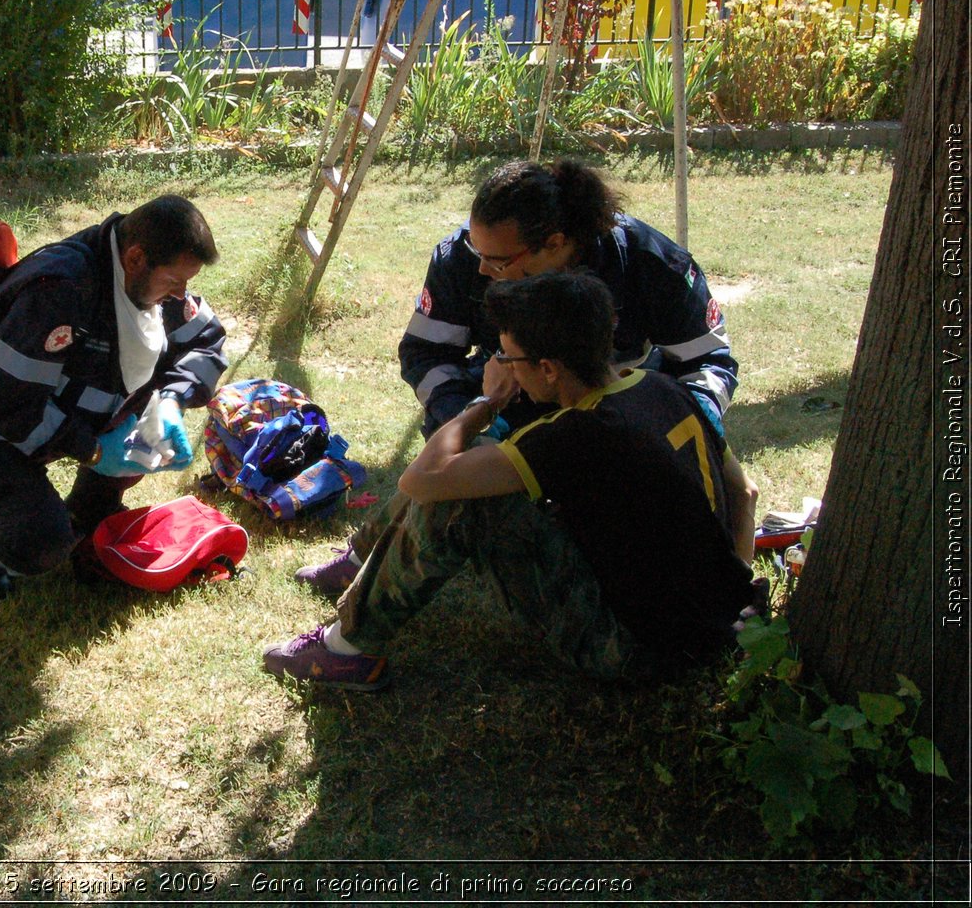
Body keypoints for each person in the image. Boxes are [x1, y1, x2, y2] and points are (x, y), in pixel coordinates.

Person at [264, 272, 760, 690]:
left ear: (547, 368)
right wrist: (730, 586)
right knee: (475, 471)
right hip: (719, 622)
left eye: (506, 358)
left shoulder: (573, 434)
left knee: (461, 497)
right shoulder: (666, 388)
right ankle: (362, 562)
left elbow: (421, 481)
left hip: (639, 654)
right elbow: (743, 493)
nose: (500, 369)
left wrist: (485, 405)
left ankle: (345, 649)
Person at [297, 158, 739, 595]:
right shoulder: (463, 259)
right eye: (477, 252)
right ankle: (366, 556)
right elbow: (425, 353)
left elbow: (709, 361)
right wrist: (467, 417)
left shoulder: (649, 262)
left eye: (499, 261)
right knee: (450, 461)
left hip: (613, 426)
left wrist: (666, 432)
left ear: (556, 243)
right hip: (507, 403)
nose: (483, 270)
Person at [0, 194, 227, 597]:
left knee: (134, 442)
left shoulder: (138, 276)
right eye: (174, 281)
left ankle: (88, 512)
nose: (180, 294)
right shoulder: (59, 290)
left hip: (51, 412)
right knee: (40, 541)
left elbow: (206, 341)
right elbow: (2, 401)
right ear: (136, 258)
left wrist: (170, 400)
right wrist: (95, 451)